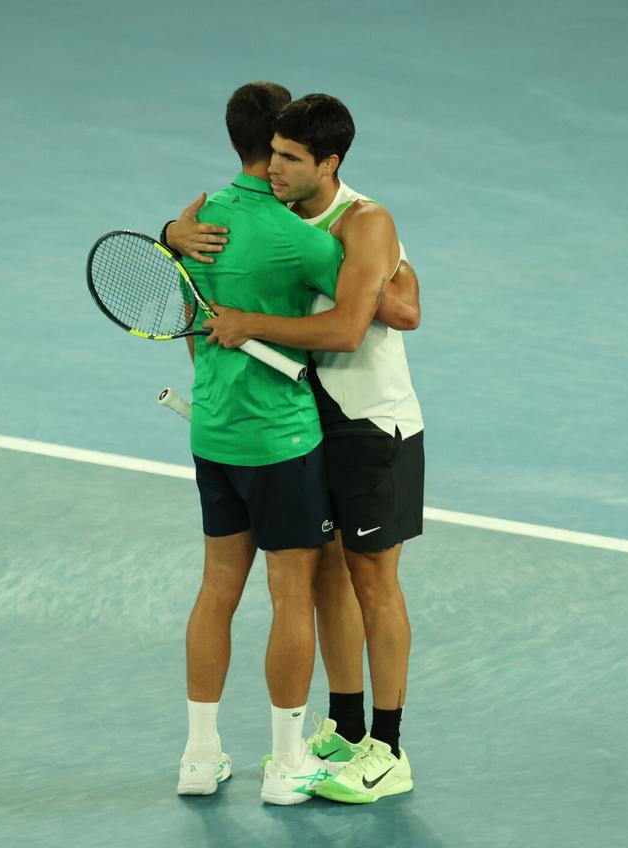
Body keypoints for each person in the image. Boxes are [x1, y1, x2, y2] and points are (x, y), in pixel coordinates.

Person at [176, 93, 424, 804]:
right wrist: (171, 234)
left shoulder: (364, 221)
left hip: (373, 423)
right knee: (324, 582)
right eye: (273, 154)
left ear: (328, 162)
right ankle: (344, 729)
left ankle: (389, 746)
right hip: (311, 421)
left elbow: (391, 316)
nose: (273, 169)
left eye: (289, 159)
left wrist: (247, 319)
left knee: (373, 582)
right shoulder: (279, 215)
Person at [169, 81, 344, 806]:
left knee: (217, 590)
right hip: (282, 439)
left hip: (211, 431)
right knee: (291, 596)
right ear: (277, 149)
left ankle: (199, 756)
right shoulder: (298, 237)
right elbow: (375, 306)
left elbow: (188, 323)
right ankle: (284, 764)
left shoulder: (196, 220)